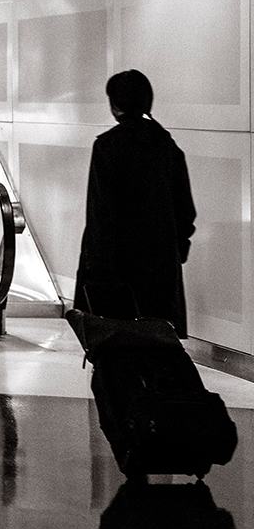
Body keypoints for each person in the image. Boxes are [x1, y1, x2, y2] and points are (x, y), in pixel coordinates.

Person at [75, 70, 197, 337]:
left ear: (115, 105)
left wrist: (94, 268)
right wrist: (178, 249)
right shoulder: (166, 145)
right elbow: (184, 207)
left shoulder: (108, 146)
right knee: (157, 341)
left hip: (116, 268)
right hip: (161, 265)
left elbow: (100, 214)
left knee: (117, 343)